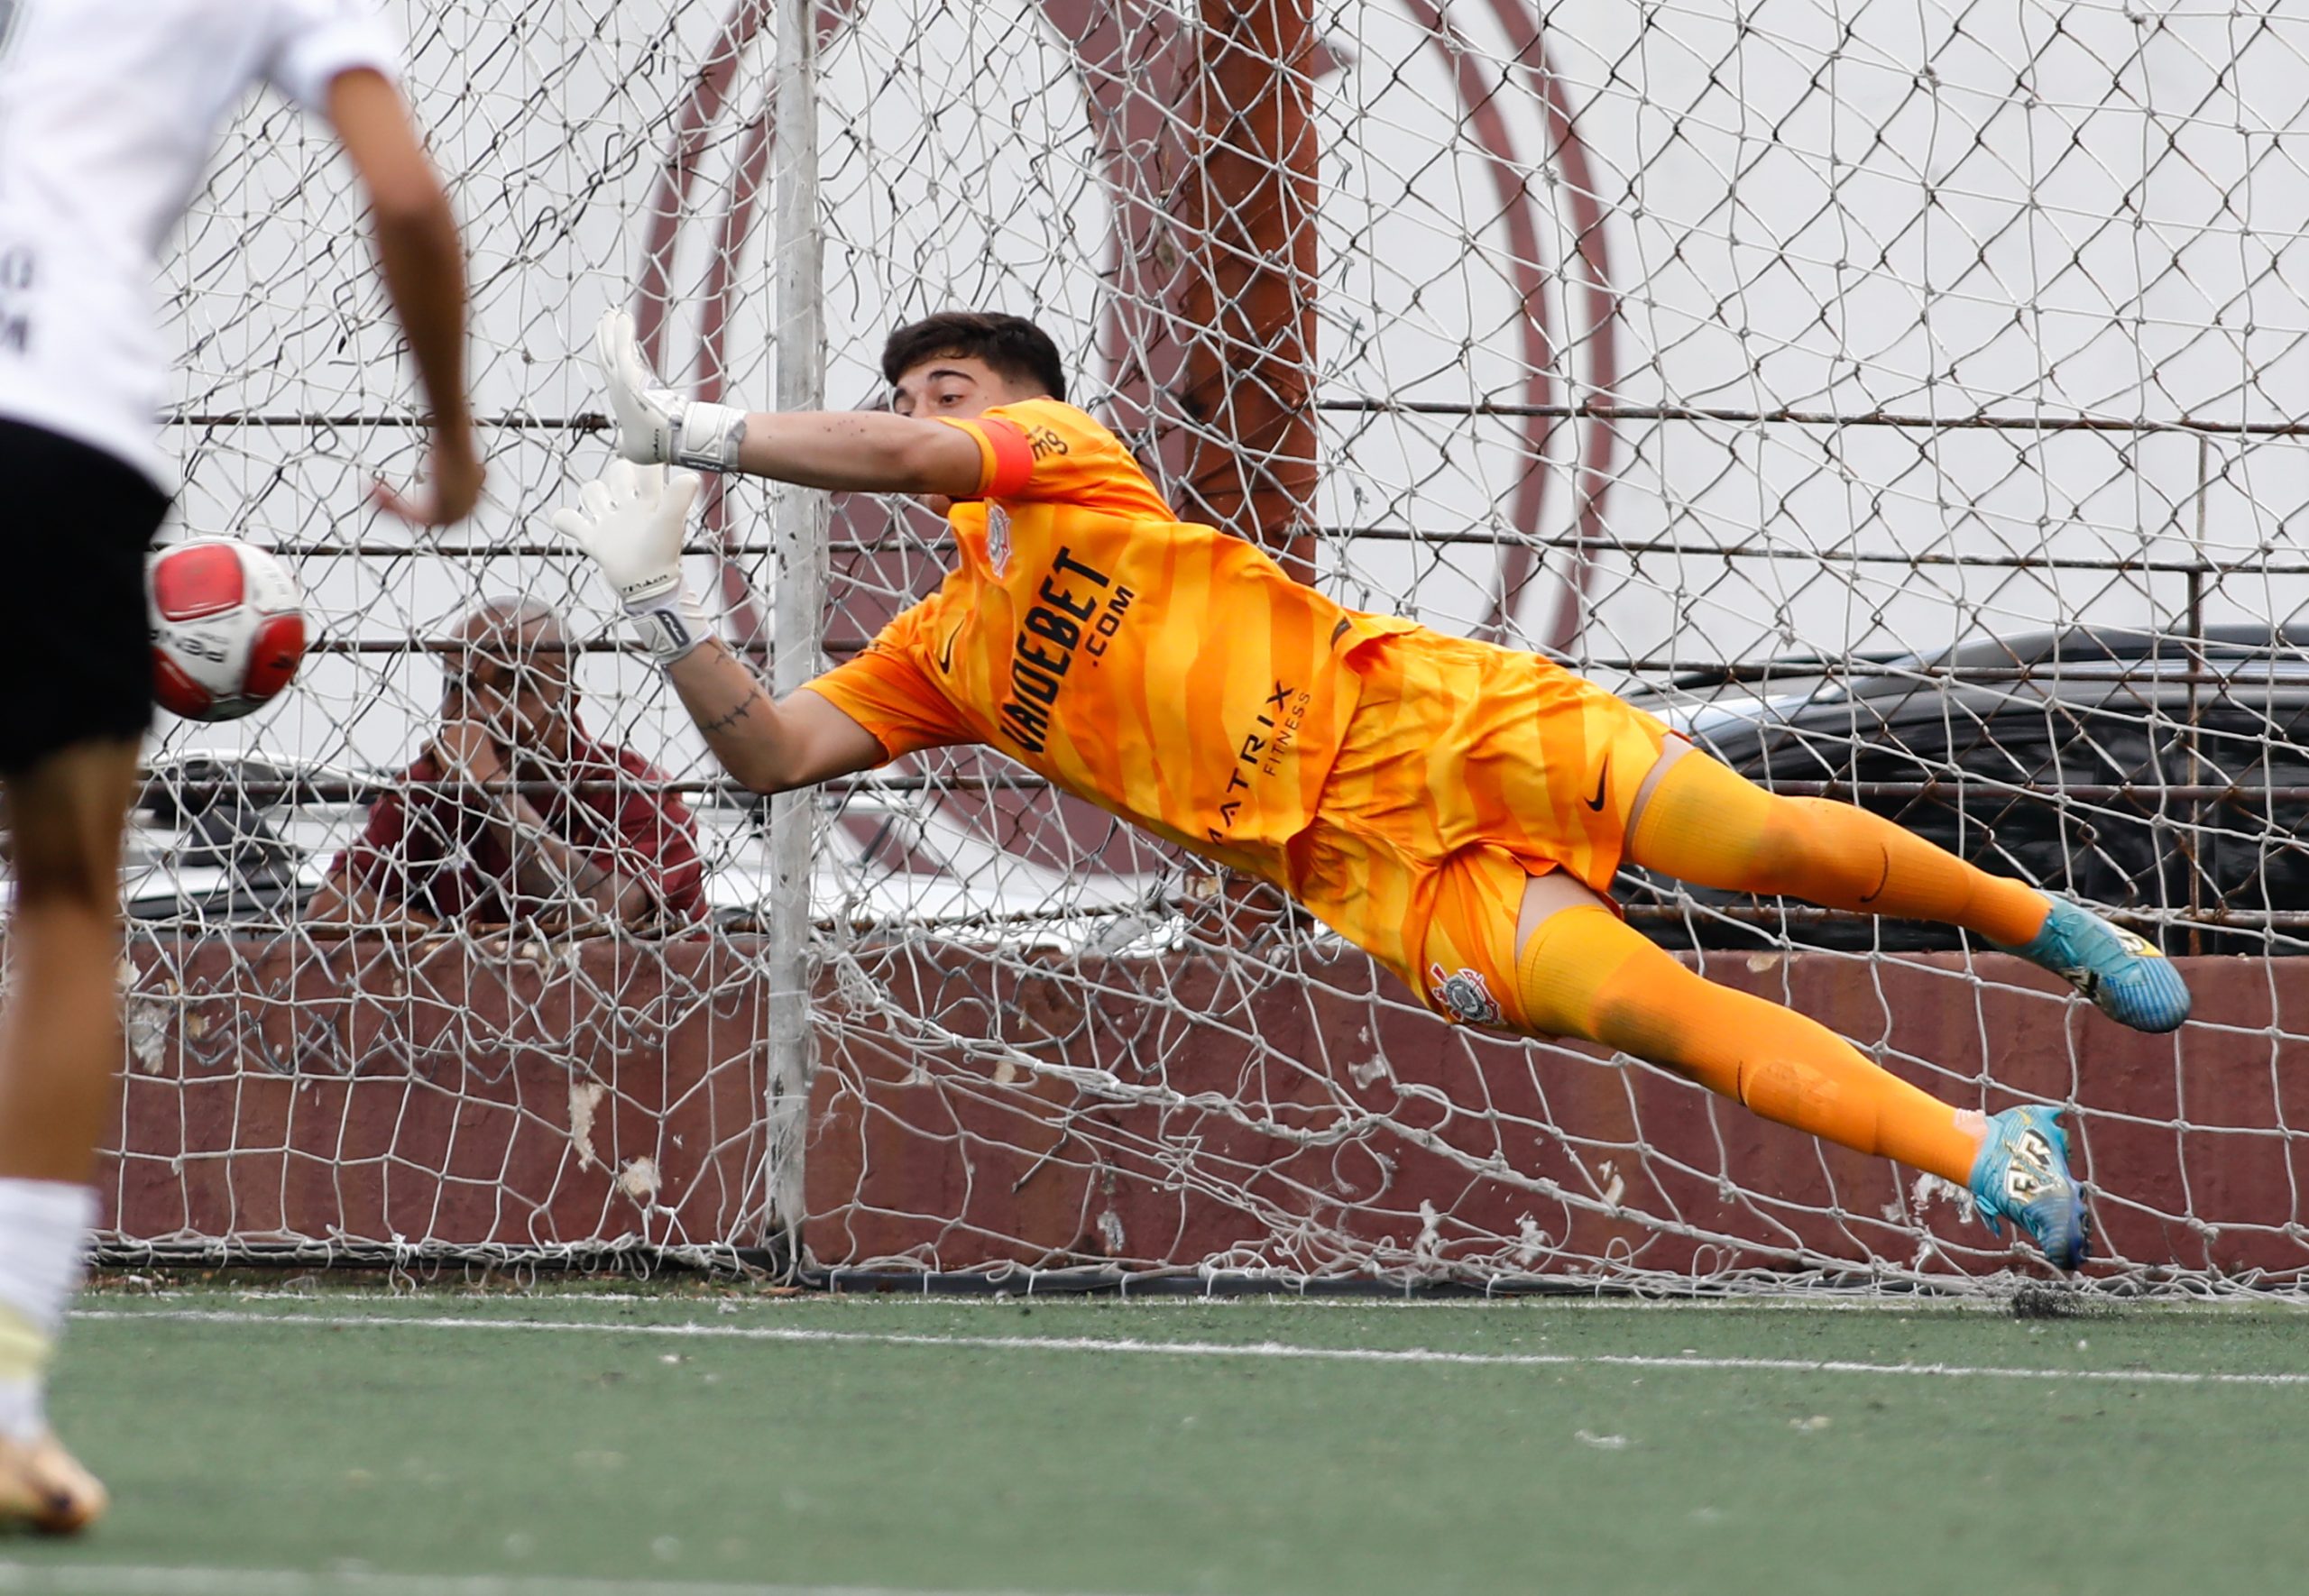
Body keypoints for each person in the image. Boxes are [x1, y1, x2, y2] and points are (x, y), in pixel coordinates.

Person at [551, 307, 2193, 1278]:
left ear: (1020, 405)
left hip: (1429, 722)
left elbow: (912, 468)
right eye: (902, 396)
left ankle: (2043, 920)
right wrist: (655, 604)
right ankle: (1988, 1153)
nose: (918, 420)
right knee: (1653, 1011)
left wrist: (699, 433)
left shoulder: (1071, 463)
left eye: (946, 392)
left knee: (1753, 839)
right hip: (1367, 870)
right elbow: (768, 759)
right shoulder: (940, 653)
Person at [0, 0, 480, 1530]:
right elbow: (402, 193)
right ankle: (5, 1399)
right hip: (56, 416)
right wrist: (456, 443)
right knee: (69, 904)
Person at [308, 598, 705, 932]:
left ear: (567, 701)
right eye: (458, 687)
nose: (480, 711)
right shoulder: (431, 784)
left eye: (514, 684)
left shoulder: (637, 792)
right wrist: (472, 949)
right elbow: (328, 909)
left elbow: (600, 918)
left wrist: (492, 790)